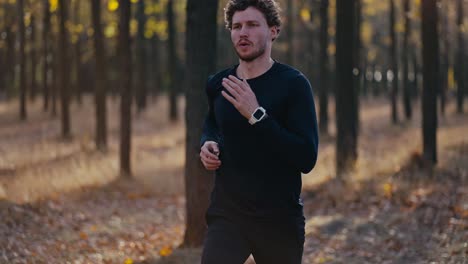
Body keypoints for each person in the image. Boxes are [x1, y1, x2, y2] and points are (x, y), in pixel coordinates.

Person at [199, 0, 318, 263]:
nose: (243, 32)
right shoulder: (219, 84)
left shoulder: (294, 85)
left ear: (273, 31)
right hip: (228, 216)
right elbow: (212, 124)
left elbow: (306, 158)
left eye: (252, 25)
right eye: (237, 26)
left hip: (279, 220)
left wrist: (256, 114)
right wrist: (207, 143)